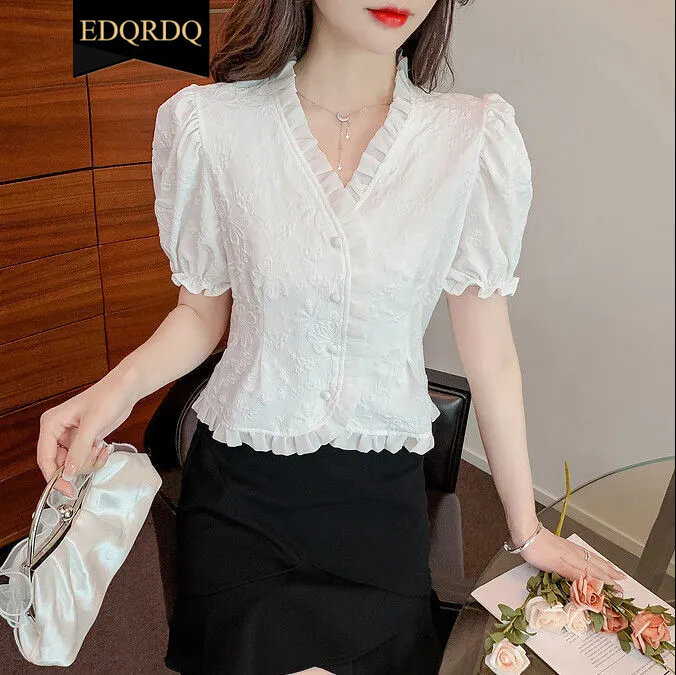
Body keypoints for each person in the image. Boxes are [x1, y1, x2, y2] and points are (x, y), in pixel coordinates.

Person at [37, 0, 627, 673]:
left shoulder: (470, 139)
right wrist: (109, 395)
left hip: (380, 504)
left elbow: (490, 356)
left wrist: (525, 530)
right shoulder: (213, 126)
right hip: (242, 494)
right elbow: (200, 315)